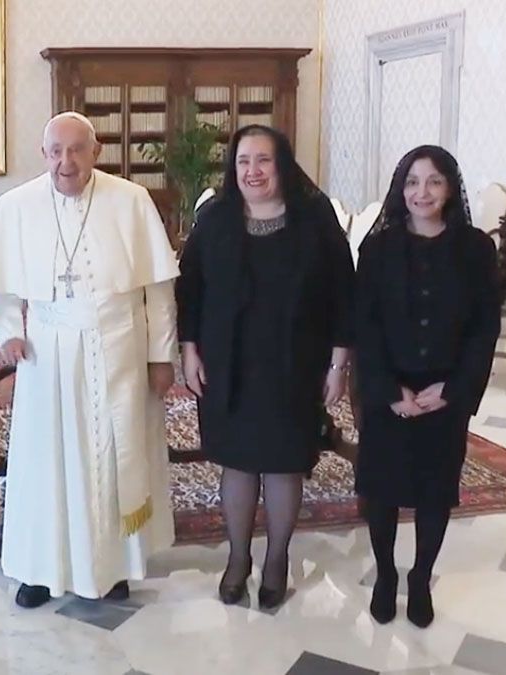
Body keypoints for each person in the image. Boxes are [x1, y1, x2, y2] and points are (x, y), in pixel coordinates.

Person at [0, 111, 179, 608]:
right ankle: (42, 571)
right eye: (56, 151)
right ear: (44, 155)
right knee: (47, 463)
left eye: (77, 149)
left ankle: (115, 567)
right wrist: (7, 333)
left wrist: (160, 356)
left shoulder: (131, 201)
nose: (67, 162)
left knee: (114, 457)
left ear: (96, 151)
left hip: (119, 348)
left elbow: (159, 291)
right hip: (47, 352)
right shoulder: (16, 206)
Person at [176, 125, 353, 610]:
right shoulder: (215, 219)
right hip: (227, 362)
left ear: (283, 165)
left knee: (282, 464)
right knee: (237, 461)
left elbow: (344, 292)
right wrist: (189, 349)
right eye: (243, 162)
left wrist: (339, 363)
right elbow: (189, 288)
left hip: (295, 364)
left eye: (263, 161)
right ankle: (238, 559)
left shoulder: (315, 219)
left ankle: (276, 559)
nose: (252, 171)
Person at [354, 145, 500, 628]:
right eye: (413, 181)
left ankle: (420, 578)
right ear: (401, 188)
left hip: (446, 393)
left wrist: (455, 389)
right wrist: (388, 390)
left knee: (436, 491)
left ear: (450, 188)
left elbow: (484, 327)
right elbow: (365, 323)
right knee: (382, 491)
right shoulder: (377, 249)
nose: (422, 192)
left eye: (434, 181)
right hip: (386, 393)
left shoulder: (476, 248)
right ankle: (385, 577)